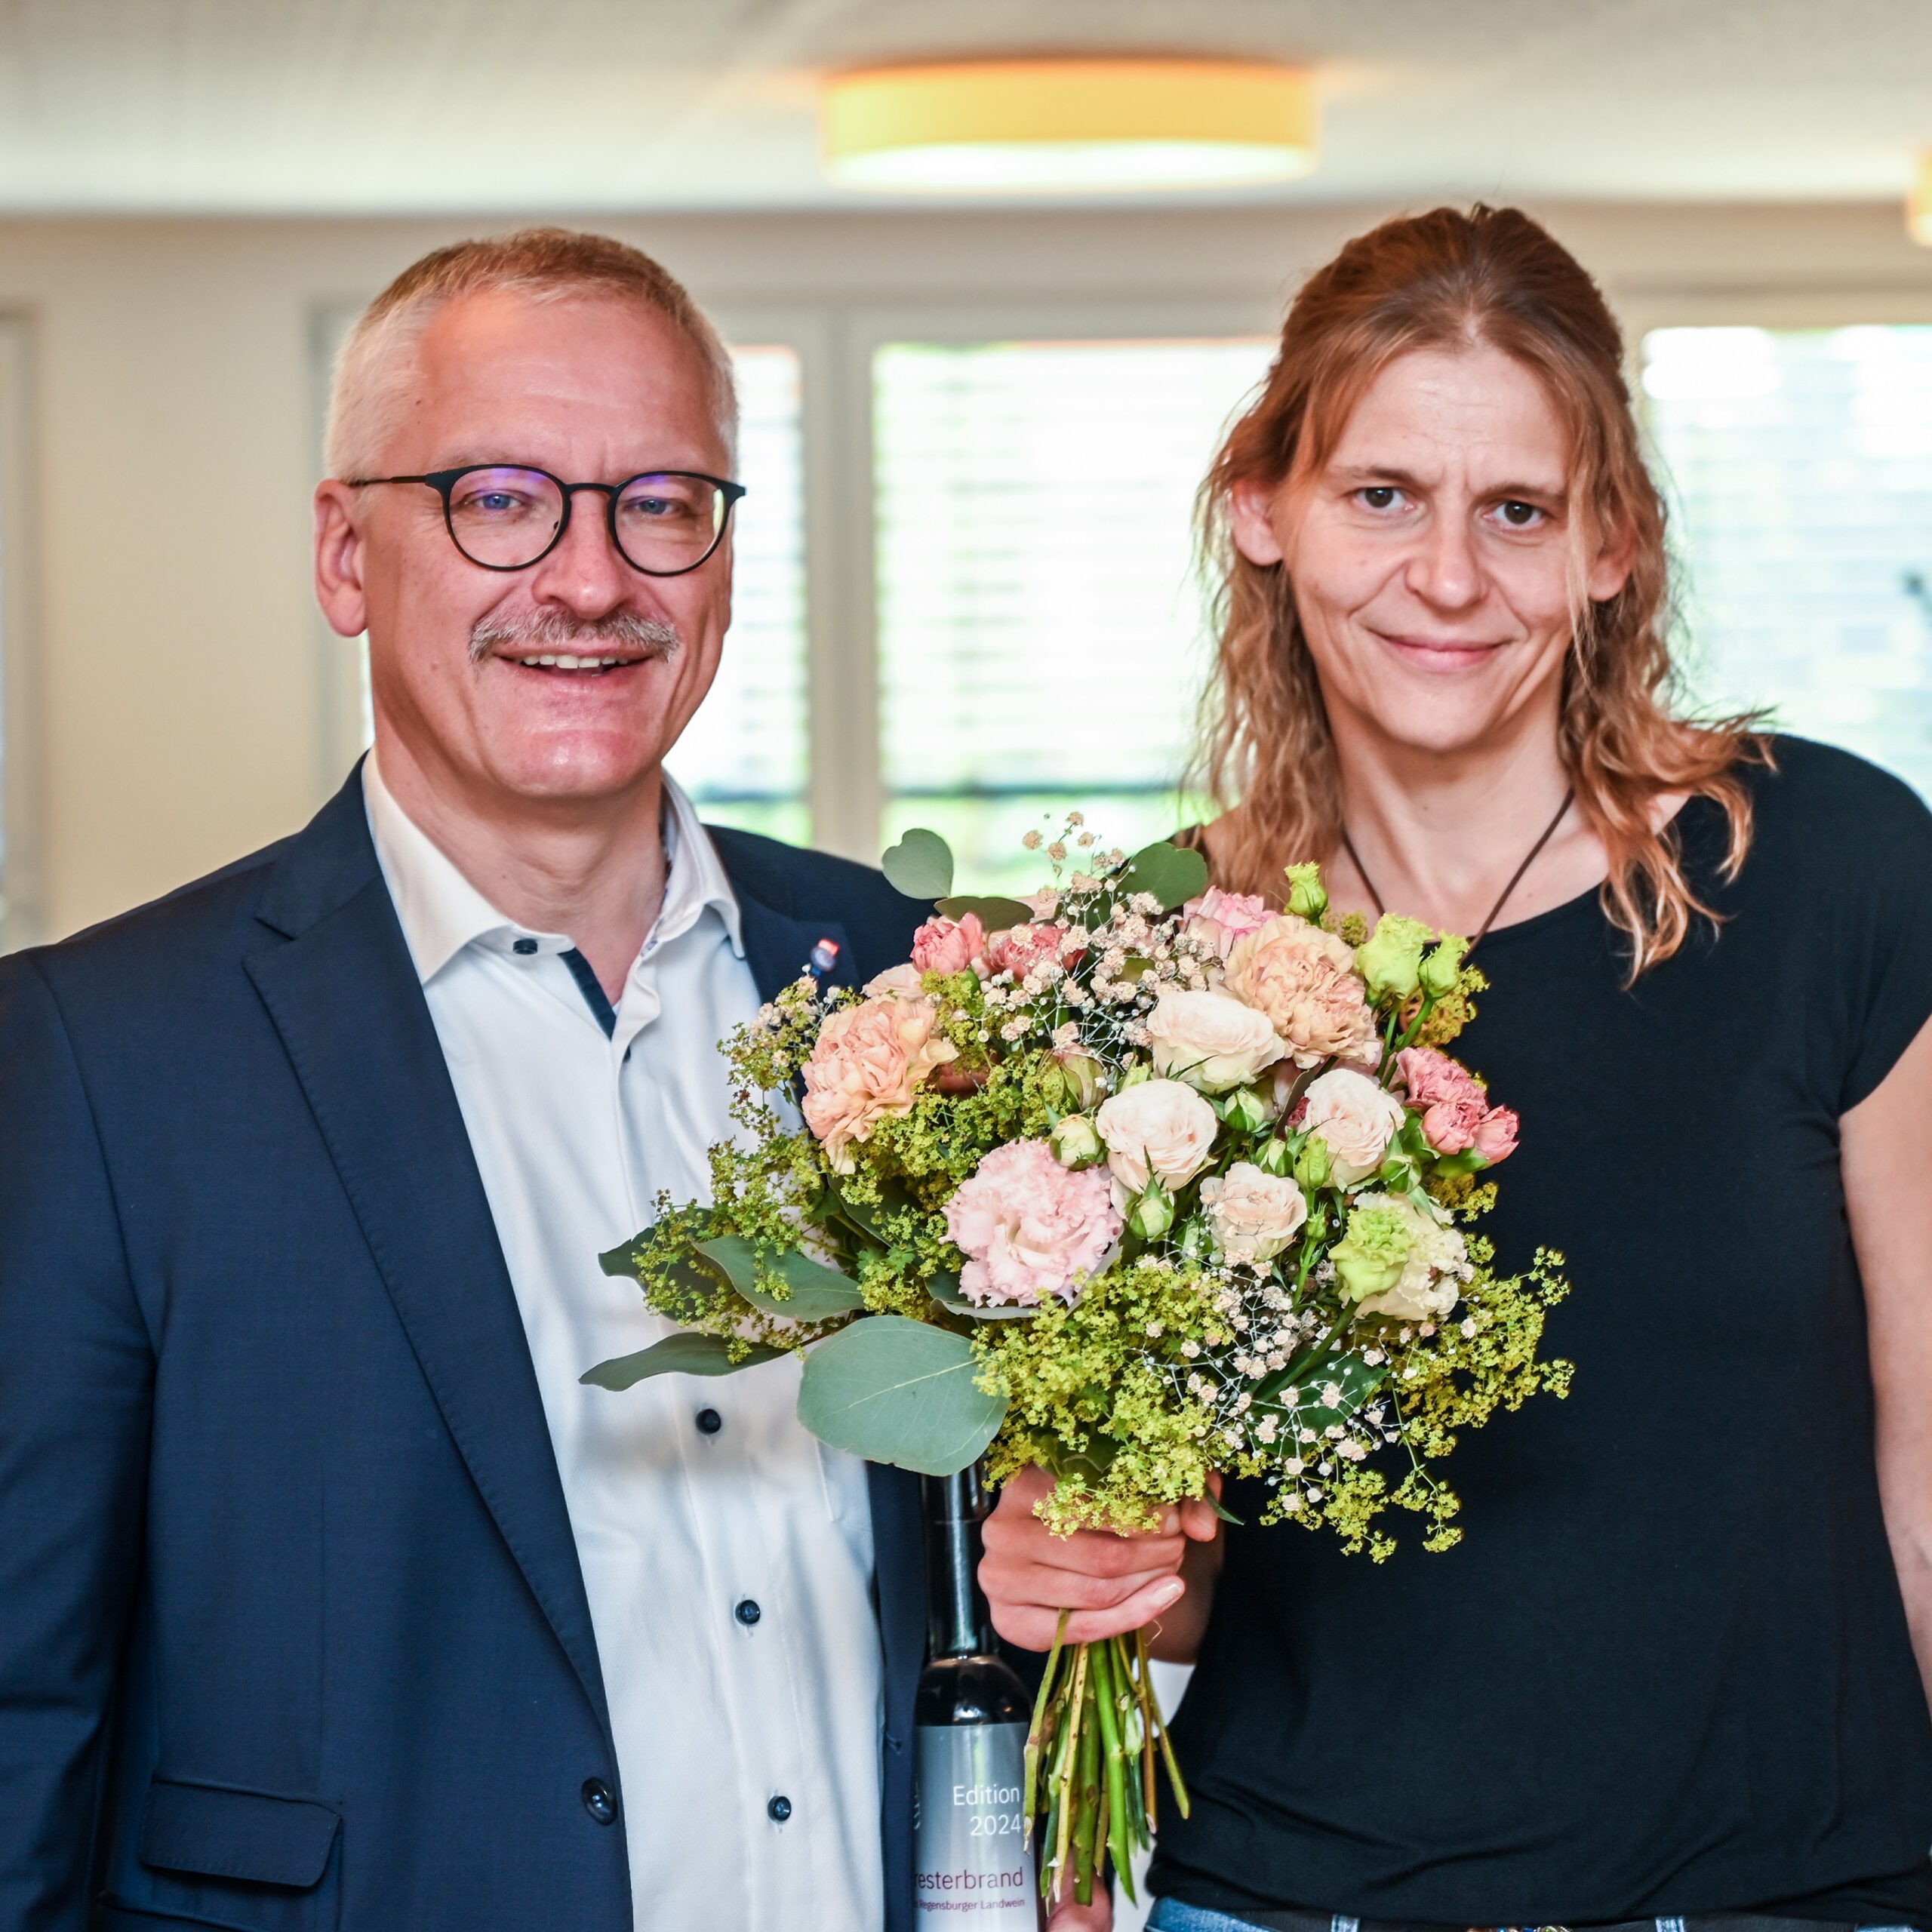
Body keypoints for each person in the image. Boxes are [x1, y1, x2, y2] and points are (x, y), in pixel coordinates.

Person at [981, 205, 1932, 1932]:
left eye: (1515, 509)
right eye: (1379, 497)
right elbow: (1173, 1574)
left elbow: (1927, 1458)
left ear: (1610, 543)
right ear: (1262, 511)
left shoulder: (1833, 874)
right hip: (1280, 1892)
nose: (1444, 578)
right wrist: (1085, 1565)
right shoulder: (1156, 958)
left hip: (1791, 1894)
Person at [0, 229, 933, 1931]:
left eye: (656, 499)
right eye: (500, 497)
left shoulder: (897, 970)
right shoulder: (95, 1056)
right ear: (345, 550)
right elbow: (18, 1714)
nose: (589, 579)